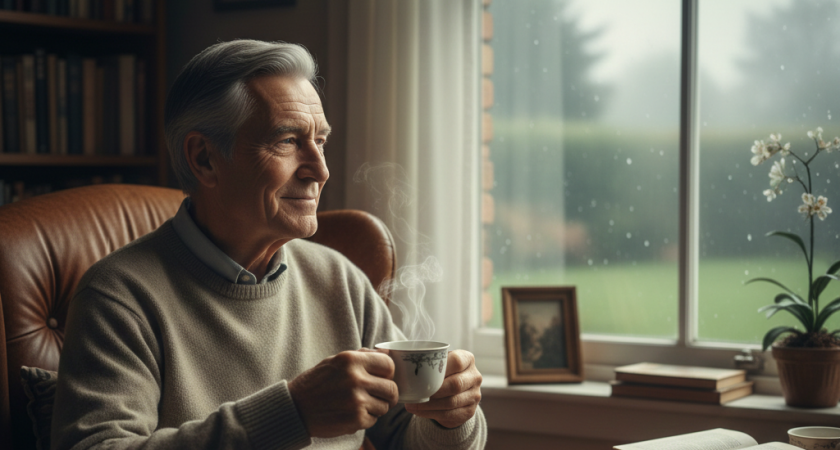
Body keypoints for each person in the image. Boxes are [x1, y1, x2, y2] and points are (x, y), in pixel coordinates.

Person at [51, 39, 486, 450]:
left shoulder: (339, 279)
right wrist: (292, 413)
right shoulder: (118, 297)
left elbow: (411, 435)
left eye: (320, 141)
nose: (320, 170)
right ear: (203, 158)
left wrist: (452, 416)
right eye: (288, 141)